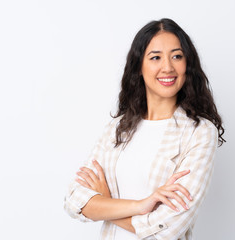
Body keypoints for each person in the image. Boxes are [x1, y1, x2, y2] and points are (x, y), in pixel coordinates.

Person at [64, 18, 225, 240]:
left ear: (188, 65)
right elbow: (74, 200)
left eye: (177, 56)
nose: (167, 67)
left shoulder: (199, 132)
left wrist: (105, 203)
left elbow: (167, 228)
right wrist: (141, 206)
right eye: (155, 57)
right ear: (139, 66)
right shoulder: (118, 128)